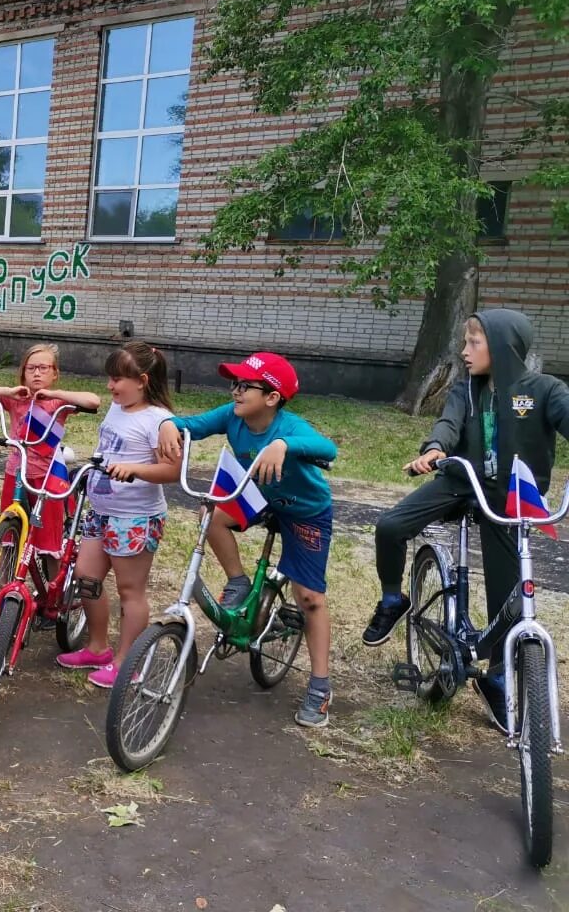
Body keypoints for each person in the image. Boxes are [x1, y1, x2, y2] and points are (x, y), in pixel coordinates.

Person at [361, 310, 569, 729]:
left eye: (474, 342)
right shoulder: (466, 390)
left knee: (508, 597)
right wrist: (436, 448)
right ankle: (391, 599)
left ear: (503, 346)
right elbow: (447, 424)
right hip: (462, 482)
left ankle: (494, 674)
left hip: (509, 498)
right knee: (390, 526)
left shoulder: (544, 391)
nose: (464, 351)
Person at [157, 352, 338, 728]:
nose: (235, 393)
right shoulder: (231, 416)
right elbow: (191, 423)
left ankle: (320, 686)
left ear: (272, 398)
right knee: (212, 517)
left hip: (304, 510)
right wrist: (169, 425)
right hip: (255, 496)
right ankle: (238, 581)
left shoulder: (289, 427)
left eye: (245, 386)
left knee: (310, 598)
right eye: (234, 385)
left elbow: (328, 449)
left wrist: (284, 446)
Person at [53, 342, 177, 688]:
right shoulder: (118, 407)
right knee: (87, 578)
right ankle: (97, 648)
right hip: (102, 511)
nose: (110, 386)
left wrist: (134, 469)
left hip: (136, 518)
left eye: (117, 379)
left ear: (142, 380)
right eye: (109, 378)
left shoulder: (158, 420)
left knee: (129, 590)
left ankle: (127, 663)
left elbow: (172, 470)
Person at [0, 343, 100, 566]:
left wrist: (53, 394)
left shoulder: (58, 401)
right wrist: (8, 392)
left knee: (48, 547)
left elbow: (93, 400)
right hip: (16, 473)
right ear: (23, 373)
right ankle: (4, 584)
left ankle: (52, 598)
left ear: (55, 373)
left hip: (47, 476)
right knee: (8, 536)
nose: (37, 373)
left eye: (44, 368)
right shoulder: (16, 398)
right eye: (31, 368)